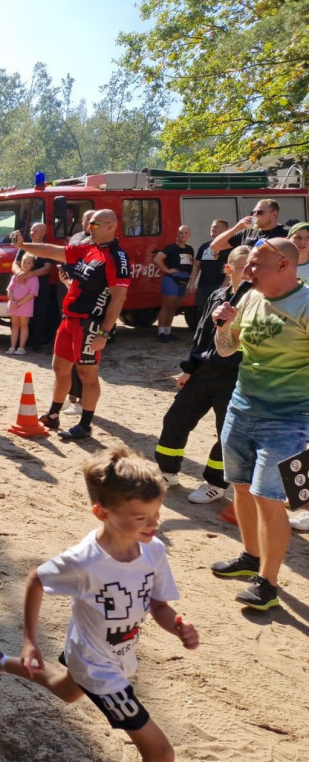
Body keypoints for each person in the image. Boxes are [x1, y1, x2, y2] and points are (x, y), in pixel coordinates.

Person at [0, 447, 199, 762]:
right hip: (97, 666)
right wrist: (30, 641)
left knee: (67, 691)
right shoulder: (84, 561)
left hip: (114, 652)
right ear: (102, 513)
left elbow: (158, 605)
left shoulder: (153, 550)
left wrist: (176, 626)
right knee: (160, 753)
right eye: (141, 518)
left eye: (157, 513)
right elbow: (36, 579)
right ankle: (5, 659)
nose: (153, 524)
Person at [210, 237, 309, 610]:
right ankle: (249, 556)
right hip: (241, 408)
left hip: (289, 419)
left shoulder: (305, 304)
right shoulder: (248, 298)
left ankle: (266, 584)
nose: (246, 271)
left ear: (284, 266)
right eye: (247, 264)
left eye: (254, 265)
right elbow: (226, 349)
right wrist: (223, 326)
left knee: (270, 500)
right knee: (240, 486)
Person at [12, 209, 130, 440]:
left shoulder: (117, 256)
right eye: (90, 224)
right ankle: (54, 415)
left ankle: (85, 425)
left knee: (87, 374)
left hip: (90, 323)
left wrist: (104, 333)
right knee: (59, 368)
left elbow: (118, 299)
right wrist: (24, 245)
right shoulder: (88, 246)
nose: (89, 228)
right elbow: (54, 251)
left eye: (94, 224)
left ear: (110, 226)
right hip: (69, 318)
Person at [155, 246, 248, 505]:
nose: (249, 271)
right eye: (241, 266)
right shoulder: (218, 295)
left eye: (252, 265)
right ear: (228, 269)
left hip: (236, 376)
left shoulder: (258, 300)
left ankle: (216, 483)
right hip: (205, 371)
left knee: (226, 433)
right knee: (176, 419)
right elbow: (202, 336)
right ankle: (168, 471)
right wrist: (189, 368)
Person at [12, 222, 57, 349]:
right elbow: (15, 263)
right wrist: (19, 273)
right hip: (23, 287)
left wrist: (28, 275)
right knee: (22, 313)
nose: (32, 233)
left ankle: (37, 343)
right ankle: (21, 342)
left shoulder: (47, 248)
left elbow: (47, 269)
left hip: (40, 287)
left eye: (36, 231)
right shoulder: (24, 247)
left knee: (39, 313)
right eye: (31, 230)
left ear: (43, 233)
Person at [153, 225, 195, 342]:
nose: (183, 235)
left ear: (189, 235)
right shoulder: (170, 248)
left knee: (174, 308)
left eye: (186, 233)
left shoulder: (189, 249)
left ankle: (168, 332)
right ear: (177, 234)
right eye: (181, 233)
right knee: (166, 307)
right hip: (172, 280)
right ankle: (161, 333)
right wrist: (167, 270)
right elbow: (157, 259)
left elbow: (191, 263)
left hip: (184, 280)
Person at [211, 199, 287, 258]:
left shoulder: (286, 232)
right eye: (253, 212)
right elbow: (214, 246)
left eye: (260, 212)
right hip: (248, 276)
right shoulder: (247, 232)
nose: (255, 215)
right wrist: (236, 228)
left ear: (274, 214)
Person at [188, 219, 229, 319]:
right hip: (203, 285)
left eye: (216, 227)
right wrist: (192, 282)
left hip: (219, 285)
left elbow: (231, 267)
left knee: (216, 311)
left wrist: (224, 285)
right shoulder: (205, 246)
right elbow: (197, 265)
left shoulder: (229, 246)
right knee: (202, 311)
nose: (212, 229)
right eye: (212, 227)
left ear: (224, 229)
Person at [7, 252, 39, 354]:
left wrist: (19, 303)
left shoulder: (34, 278)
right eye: (24, 262)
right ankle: (12, 347)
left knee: (24, 325)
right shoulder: (15, 277)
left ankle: (21, 347)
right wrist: (12, 301)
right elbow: (10, 289)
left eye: (29, 263)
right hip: (13, 305)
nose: (26, 264)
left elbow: (32, 294)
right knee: (15, 325)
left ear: (33, 265)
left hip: (25, 306)